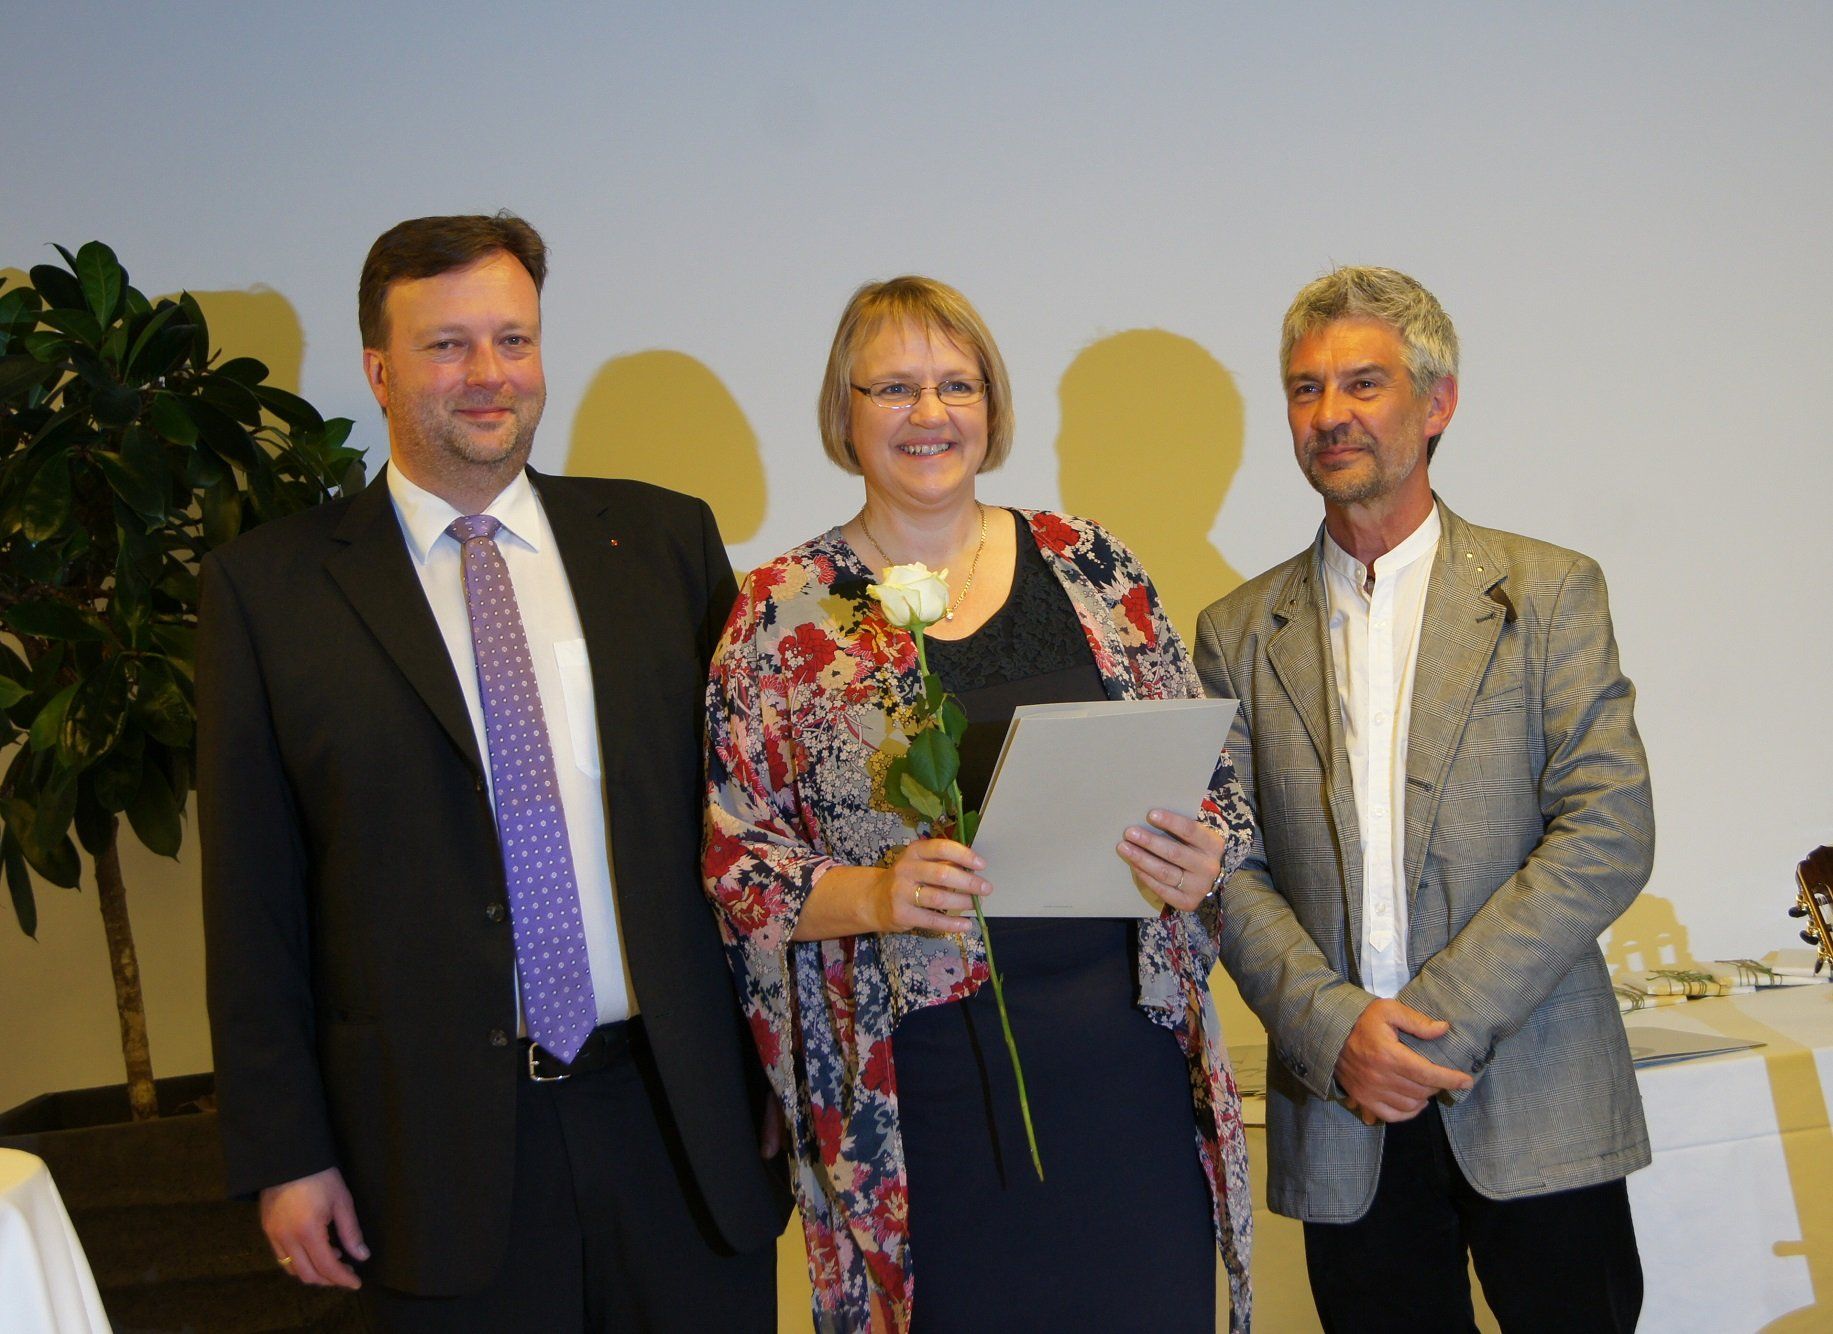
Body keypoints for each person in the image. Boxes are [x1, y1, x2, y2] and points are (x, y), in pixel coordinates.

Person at [199, 212, 786, 1331]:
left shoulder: (664, 543)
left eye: (514, 340)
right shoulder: (269, 591)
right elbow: (251, 899)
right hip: (429, 1151)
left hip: (680, 1124)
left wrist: (779, 1065)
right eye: (447, 345)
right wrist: (284, 1151)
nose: (489, 374)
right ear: (379, 369)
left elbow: (747, 830)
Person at [703, 275, 1255, 1332]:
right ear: (843, 411)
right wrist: (873, 893)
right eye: (894, 387)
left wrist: (1206, 850)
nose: (930, 413)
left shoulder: (1091, 562)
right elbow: (738, 867)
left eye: (957, 385)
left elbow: (1213, 781)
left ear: (992, 407)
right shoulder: (782, 612)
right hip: (925, 1101)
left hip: (1126, 1075)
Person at [1195, 266, 1653, 1333]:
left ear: (1436, 402)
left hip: (1538, 1093)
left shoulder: (1549, 592)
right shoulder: (1234, 632)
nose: (1330, 413)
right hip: (1344, 1109)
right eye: (1305, 388)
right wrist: (1338, 1030)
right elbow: (1223, 863)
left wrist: (1438, 1029)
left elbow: (1608, 829)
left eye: (1364, 383)